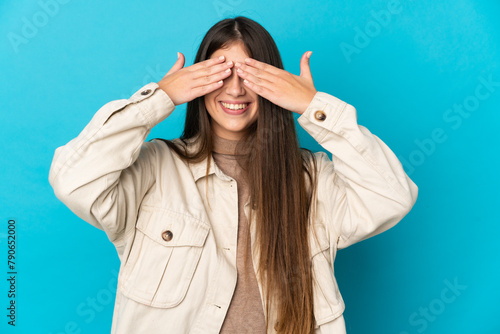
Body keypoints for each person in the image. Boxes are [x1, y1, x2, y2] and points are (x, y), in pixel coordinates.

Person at [49, 16, 418, 334]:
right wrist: (158, 98)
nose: (236, 88)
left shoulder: (311, 179)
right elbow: (72, 178)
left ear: (275, 83)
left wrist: (313, 106)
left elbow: (393, 196)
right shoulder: (154, 169)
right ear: (197, 80)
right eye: (221, 72)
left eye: (250, 74)